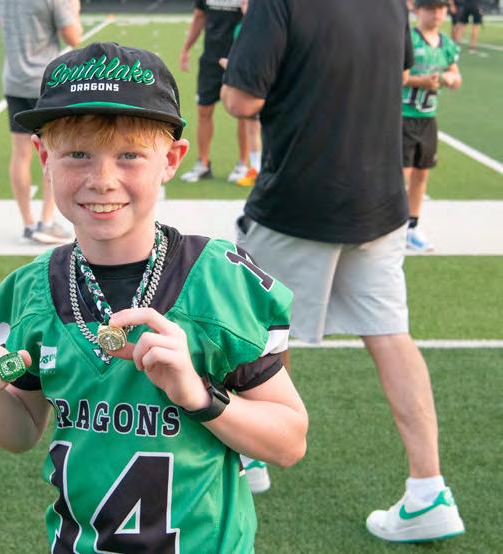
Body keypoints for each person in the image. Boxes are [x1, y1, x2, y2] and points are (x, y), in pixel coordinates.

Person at [0, 42, 308, 552]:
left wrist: (199, 395)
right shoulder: (32, 290)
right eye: (78, 154)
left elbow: (289, 442)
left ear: (171, 160)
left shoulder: (217, 281)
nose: (102, 180)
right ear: (44, 158)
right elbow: (23, 430)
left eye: (129, 155)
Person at [222, 0, 465, 543]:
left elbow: (241, 99)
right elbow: (397, 69)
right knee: (391, 334)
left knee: (257, 327)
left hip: (299, 196)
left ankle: (252, 453)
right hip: (379, 196)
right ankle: (429, 489)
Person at [0, 0, 82, 244]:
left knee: (20, 153)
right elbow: (74, 37)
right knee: (52, 150)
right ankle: (47, 221)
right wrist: (74, 9)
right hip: (44, 83)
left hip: (14, 80)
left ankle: (28, 224)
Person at [403, 0, 461, 252]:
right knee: (401, 175)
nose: (437, 13)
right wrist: (421, 82)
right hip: (403, 115)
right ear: (417, 10)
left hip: (428, 118)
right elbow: (394, 77)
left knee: (421, 173)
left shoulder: (446, 44)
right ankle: (393, 226)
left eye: (441, 8)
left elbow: (456, 75)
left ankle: (412, 225)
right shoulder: (409, 39)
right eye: (430, 8)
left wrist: (450, 78)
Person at [179, 0, 248, 183]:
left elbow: (259, 22)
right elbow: (199, 17)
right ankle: (203, 164)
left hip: (239, 59)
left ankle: (243, 164)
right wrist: (186, 48)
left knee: (243, 113)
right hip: (210, 60)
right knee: (203, 111)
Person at [218, 0, 261, 188]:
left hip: (258, 82)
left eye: (248, 3)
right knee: (253, 127)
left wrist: (230, 65)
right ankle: (257, 169)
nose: (244, 5)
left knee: (260, 127)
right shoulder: (240, 27)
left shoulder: (259, 27)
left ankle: (260, 170)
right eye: (242, 2)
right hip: (252, 81)